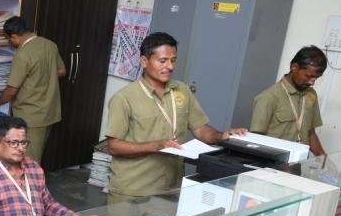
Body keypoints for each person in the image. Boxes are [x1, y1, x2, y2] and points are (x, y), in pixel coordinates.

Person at [106, 32, 247, 199]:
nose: (170, 66)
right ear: (144, 61)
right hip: (133, 190)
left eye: (173, 60)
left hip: (171, 189)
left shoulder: (182, 90)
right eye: (163, 61)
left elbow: (200, 128)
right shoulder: (124, 98)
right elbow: (114, 146)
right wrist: (156, 145)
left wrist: (222, 136)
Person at [0, 116, 108, 216]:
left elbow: (48, 205)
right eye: (14, 143)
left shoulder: (33, 167)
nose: (20, 148)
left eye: (24, 143)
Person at [0, 17, 67, 163]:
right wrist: (41, 75)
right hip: (50, 112)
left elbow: (11, 90)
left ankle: (30, 180)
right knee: (36, 153)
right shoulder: (50, 45)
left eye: (9, 40)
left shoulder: (22, 55)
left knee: (29, 160)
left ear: (14, 36)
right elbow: (62, 71)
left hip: (31, 115)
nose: (10, 43)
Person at [250, 45, 327, 156]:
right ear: (294, 67)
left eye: (316, 78)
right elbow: (256, 139)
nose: (312, 82)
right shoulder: (268, 97)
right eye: (308, 76)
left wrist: (324, 161)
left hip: (298, 160)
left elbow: (311, 133)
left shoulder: (311, 95)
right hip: (274, 161)